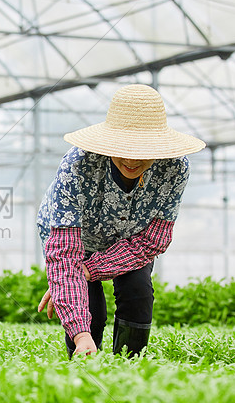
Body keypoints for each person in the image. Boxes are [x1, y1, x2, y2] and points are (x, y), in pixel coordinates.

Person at [35, 84, 205, 359]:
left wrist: (87, 270)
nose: (131, 159)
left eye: (143, 150)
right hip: (79, 237)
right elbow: (65, 254)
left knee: (138, 291)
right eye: (124, 147)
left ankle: (130, 367)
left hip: (134, 241)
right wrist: (80, 329)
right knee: (92, 308)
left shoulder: (175, 168)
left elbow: (154, 239)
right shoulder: (77, 165)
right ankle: (83, 359)